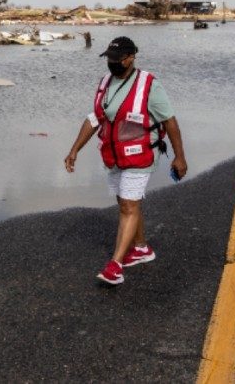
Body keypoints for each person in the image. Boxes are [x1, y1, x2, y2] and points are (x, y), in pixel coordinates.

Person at [64, 36, 187, 285]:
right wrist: (75, 149)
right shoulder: (105, 83)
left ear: (130, 58)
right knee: (126, 202)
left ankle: (116, 265)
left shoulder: (149, 85)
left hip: (141, 155)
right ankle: (141, 248)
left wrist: (179, 156)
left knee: (128, 206)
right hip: (114, 155)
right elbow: (94, 118)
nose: (111, 63)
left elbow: (169, 121)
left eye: (116, 59)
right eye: (108, 58)